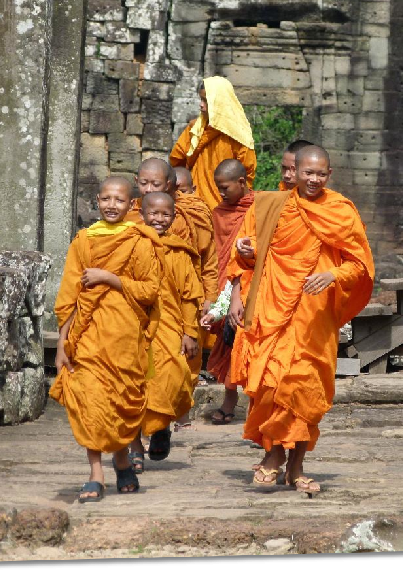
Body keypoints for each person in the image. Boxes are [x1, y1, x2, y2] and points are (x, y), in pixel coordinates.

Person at [227, 145, 374, 497]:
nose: (313, 179)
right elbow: (245, 256)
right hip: (271, 310)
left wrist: (332, 275)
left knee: (304, 387)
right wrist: (247, 255)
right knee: (273, 385)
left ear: (329, 175)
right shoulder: (271, 206)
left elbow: (359, 265)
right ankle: (284, 461)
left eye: (320, 174)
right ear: (294, 171)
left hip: (314, 315)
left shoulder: (339, 210)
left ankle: (286, 463)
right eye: (307, 172)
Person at [50, 176, 162, 502]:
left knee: (121, 402)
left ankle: (123, 458)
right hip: (87, 336)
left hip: (125, 337)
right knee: (90, 401)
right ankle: (96, 472)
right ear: (97, 201)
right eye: (107, 199)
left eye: (119, 200)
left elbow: (150, 290)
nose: (112, 205)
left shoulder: (140, 241)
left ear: (132, 205)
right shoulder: (83, 242)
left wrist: (110, 279)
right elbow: (69, 295)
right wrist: (61, 344)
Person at [125, 159, 218, 422]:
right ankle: (148, 428)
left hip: (182, 302)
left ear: (170, 185)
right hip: (139, 306)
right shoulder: (129, 214)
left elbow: (208, 259)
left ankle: (171, 415)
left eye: (155, 184)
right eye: (143, 183)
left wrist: (209, 298)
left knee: (181, 367)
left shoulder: (192, 213)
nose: (147, 189)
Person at [125, 192, 203, 472]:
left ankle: (161, 426)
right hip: (133, 325)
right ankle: (134, 446)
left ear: (174, 217)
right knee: (132, 383)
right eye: (153, 214)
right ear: (142, 214)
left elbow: (190, 295)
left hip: (170, 326)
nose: (159, 219)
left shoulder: (179, 251)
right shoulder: (129, 244)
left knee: (173, 375)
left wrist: (190, 332)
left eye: (165, 214)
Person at [199, 159, 254, 425]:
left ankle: (257, 407)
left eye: (225, 187)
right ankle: (229, 401)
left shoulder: (257, 208)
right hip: (224, 286)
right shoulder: (219, 213)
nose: (221, 193)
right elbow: (214, 255)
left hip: (251, 284)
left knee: (253, 347)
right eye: (218, 187)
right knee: (229, 344)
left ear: (242, 182)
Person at [170, 76, 257, 210]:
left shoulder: (239, 135)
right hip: (192, 204)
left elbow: (246, 176)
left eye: (206, 100)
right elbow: (177, 161)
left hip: (226, 206)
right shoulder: (195, 128)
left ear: (220, 103)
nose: (201, 105)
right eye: (201, 99)